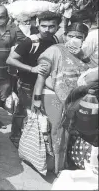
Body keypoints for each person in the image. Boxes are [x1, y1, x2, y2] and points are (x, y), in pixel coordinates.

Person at [31, 22, 90, 174]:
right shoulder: (54, 51)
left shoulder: (83, 56)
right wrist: (36, 99)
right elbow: (41, 77)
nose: (74, 39)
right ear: (64, 36)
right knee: (56, 131)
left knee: (69, 132)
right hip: (52, 96)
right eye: (71, 36)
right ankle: (54, 167)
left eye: (78, 37)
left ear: (84, 39)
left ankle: (64, 164)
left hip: (75, 100)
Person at [6, 11, 61, 147]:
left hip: (46, 85)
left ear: (57, 27)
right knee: (23, 111)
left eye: (51, 26)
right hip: (27, 83)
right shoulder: (30, 41)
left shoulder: (56, 41)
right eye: (44, 26)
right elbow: (10, 59)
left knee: (40, 112)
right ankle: (16, 137)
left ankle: (36, 139)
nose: (47, 30)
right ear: (37, 24)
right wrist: (32, 68)